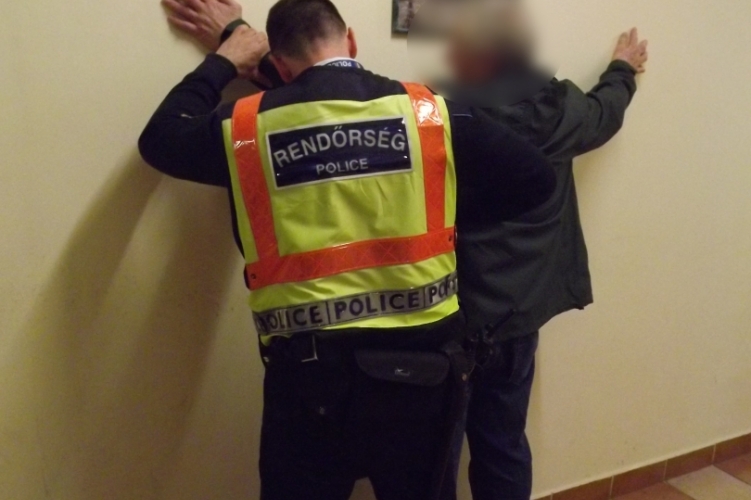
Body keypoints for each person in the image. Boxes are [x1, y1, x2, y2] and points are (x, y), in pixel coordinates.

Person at [140, 1, 555, 498]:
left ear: (281, 66)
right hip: (422, 372)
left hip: (309, 377)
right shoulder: (428, 115)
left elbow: (161, 138)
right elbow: (535, 178)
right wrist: (447, 214)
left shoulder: (247, 128)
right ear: (352, 41)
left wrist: (226, 58)